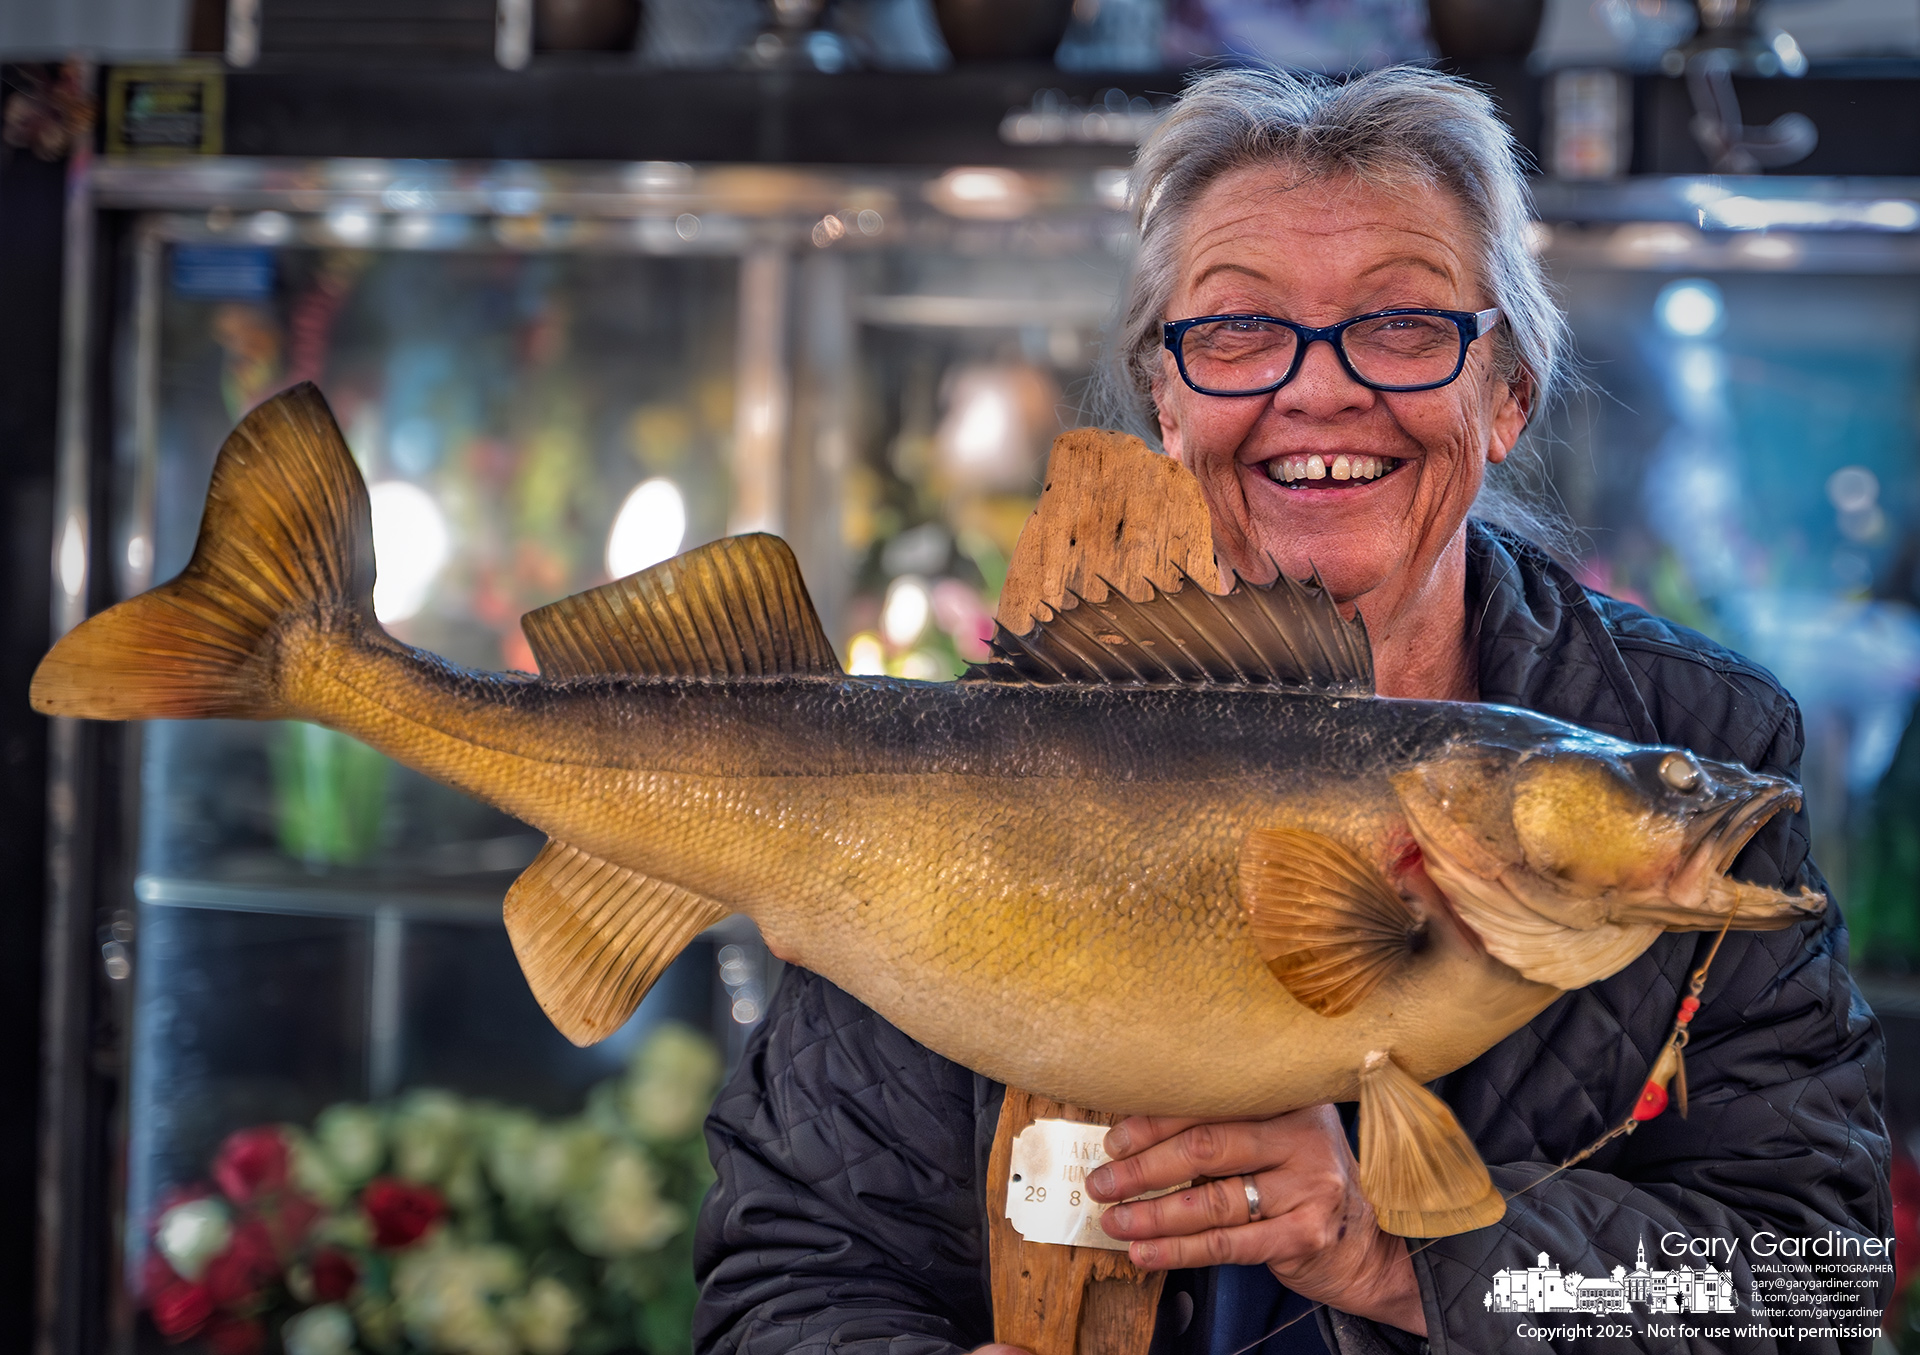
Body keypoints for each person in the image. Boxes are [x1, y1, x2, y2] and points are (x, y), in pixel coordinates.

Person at [693, 67, 1890, 1355]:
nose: (1318, 391)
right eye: (1237, 330)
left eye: (1404, 322)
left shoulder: (1691, 749)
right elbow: (787, 1278)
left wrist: (1399, 1258)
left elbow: (1805, 1285)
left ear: (1509, 394)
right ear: (1165, 400)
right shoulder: (987, 757)